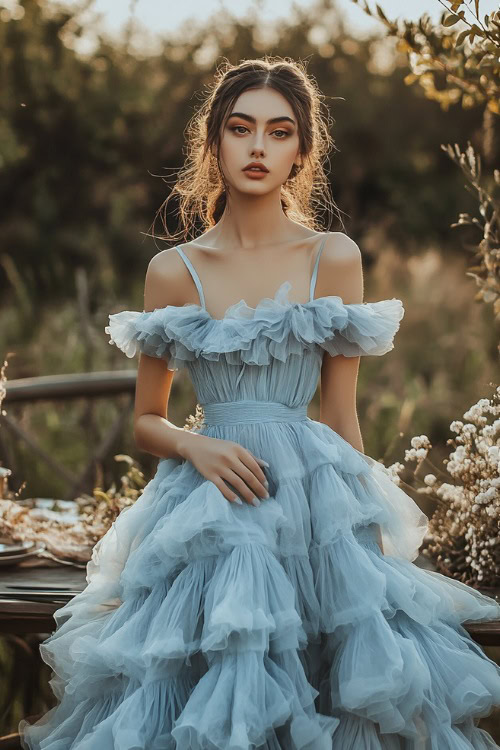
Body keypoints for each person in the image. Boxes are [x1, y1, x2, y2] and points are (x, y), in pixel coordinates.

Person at [20, 57, 500, 750]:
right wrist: (197, 443)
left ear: (302, 150)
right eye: (241, 129)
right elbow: (146, 421)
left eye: (278, 132)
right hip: (207, 505)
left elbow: (339, 415)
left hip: (311, 506)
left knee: (334, 695)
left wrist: (358, 538)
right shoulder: (172, 270)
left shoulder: (330, 257)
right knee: (201, 687)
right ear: (214, 141)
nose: (257, 147)